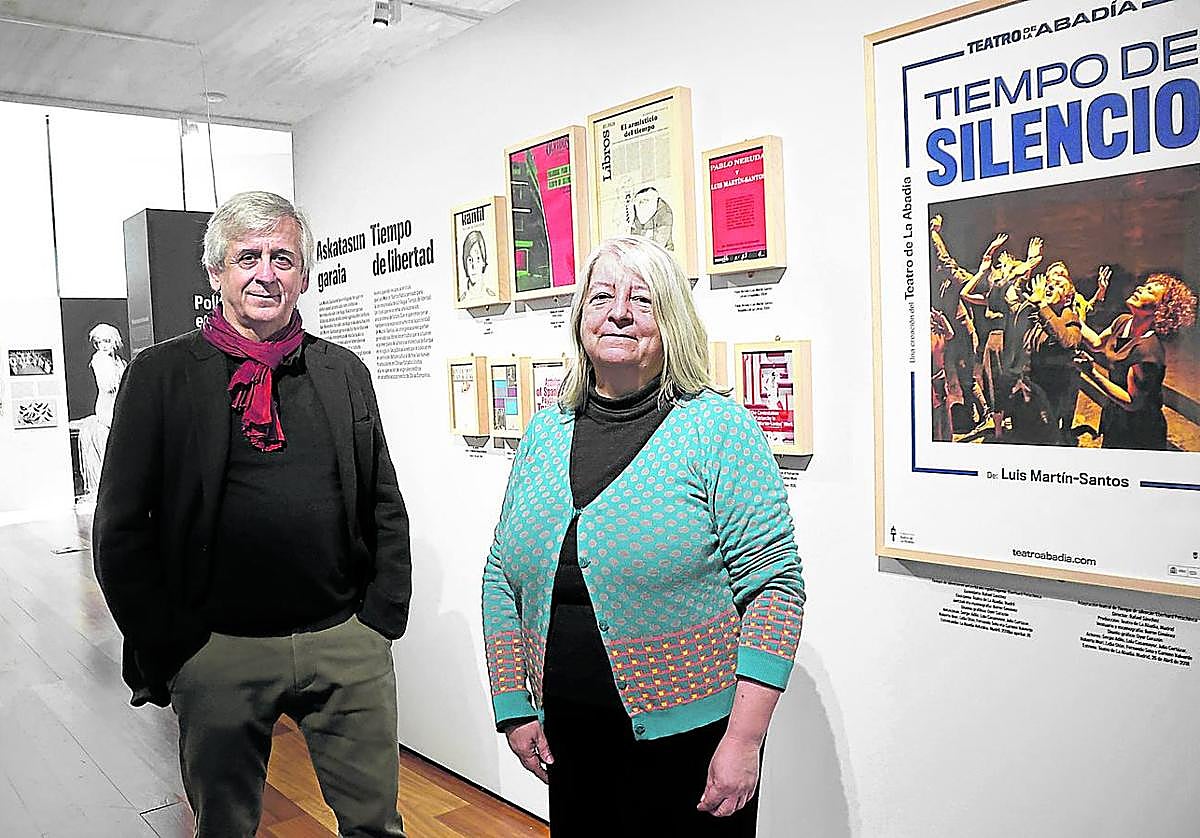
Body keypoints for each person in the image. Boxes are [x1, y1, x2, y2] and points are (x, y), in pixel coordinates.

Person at [93, 191, 411, 838]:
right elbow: (120, 529)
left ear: (303, 273)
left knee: (376, 826)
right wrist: (175, 646)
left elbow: (383, 500)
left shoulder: (341, 371)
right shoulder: (160, 375)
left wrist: (379, 619)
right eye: (249, 257)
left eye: (283, 258)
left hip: (343, 642)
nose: (267, 273)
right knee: (227, 828)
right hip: (217, 650)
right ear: (216, 273)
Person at [482, 235, 805, 835]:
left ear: (673, 321)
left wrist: (745, 739)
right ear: (581, 316)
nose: (619, 311)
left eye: (643, 300)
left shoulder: (717, 429)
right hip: (569, 735)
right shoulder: (546, 432)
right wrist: (513, 704)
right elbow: (502, 573)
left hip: (692, 740)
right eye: (601, 296)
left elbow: (776, 589)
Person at [1080, 272, 1197, 449]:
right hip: (1116, 416)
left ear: (1161, 310)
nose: (1141, 288)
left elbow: (1132, 402)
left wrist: (1092, 372)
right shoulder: (1122, 322)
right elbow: (1096, 343)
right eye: (1144, 285)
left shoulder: (1148, 351)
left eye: (1150, 290)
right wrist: (1071, 316)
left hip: (1138, 430)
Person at [77, 323, 129, 495]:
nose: (103, 346)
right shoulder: (100, 360)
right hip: (107, 407)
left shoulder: (119, 361)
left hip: (119, 404)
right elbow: (106, 386)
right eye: (99, 342)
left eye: (106, 341)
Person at [459, 228, 494, 302]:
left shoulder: (491, 295)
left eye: (477, 259)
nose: (473, 266)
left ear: (483, 262)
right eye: (470, 260)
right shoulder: (462, 299)